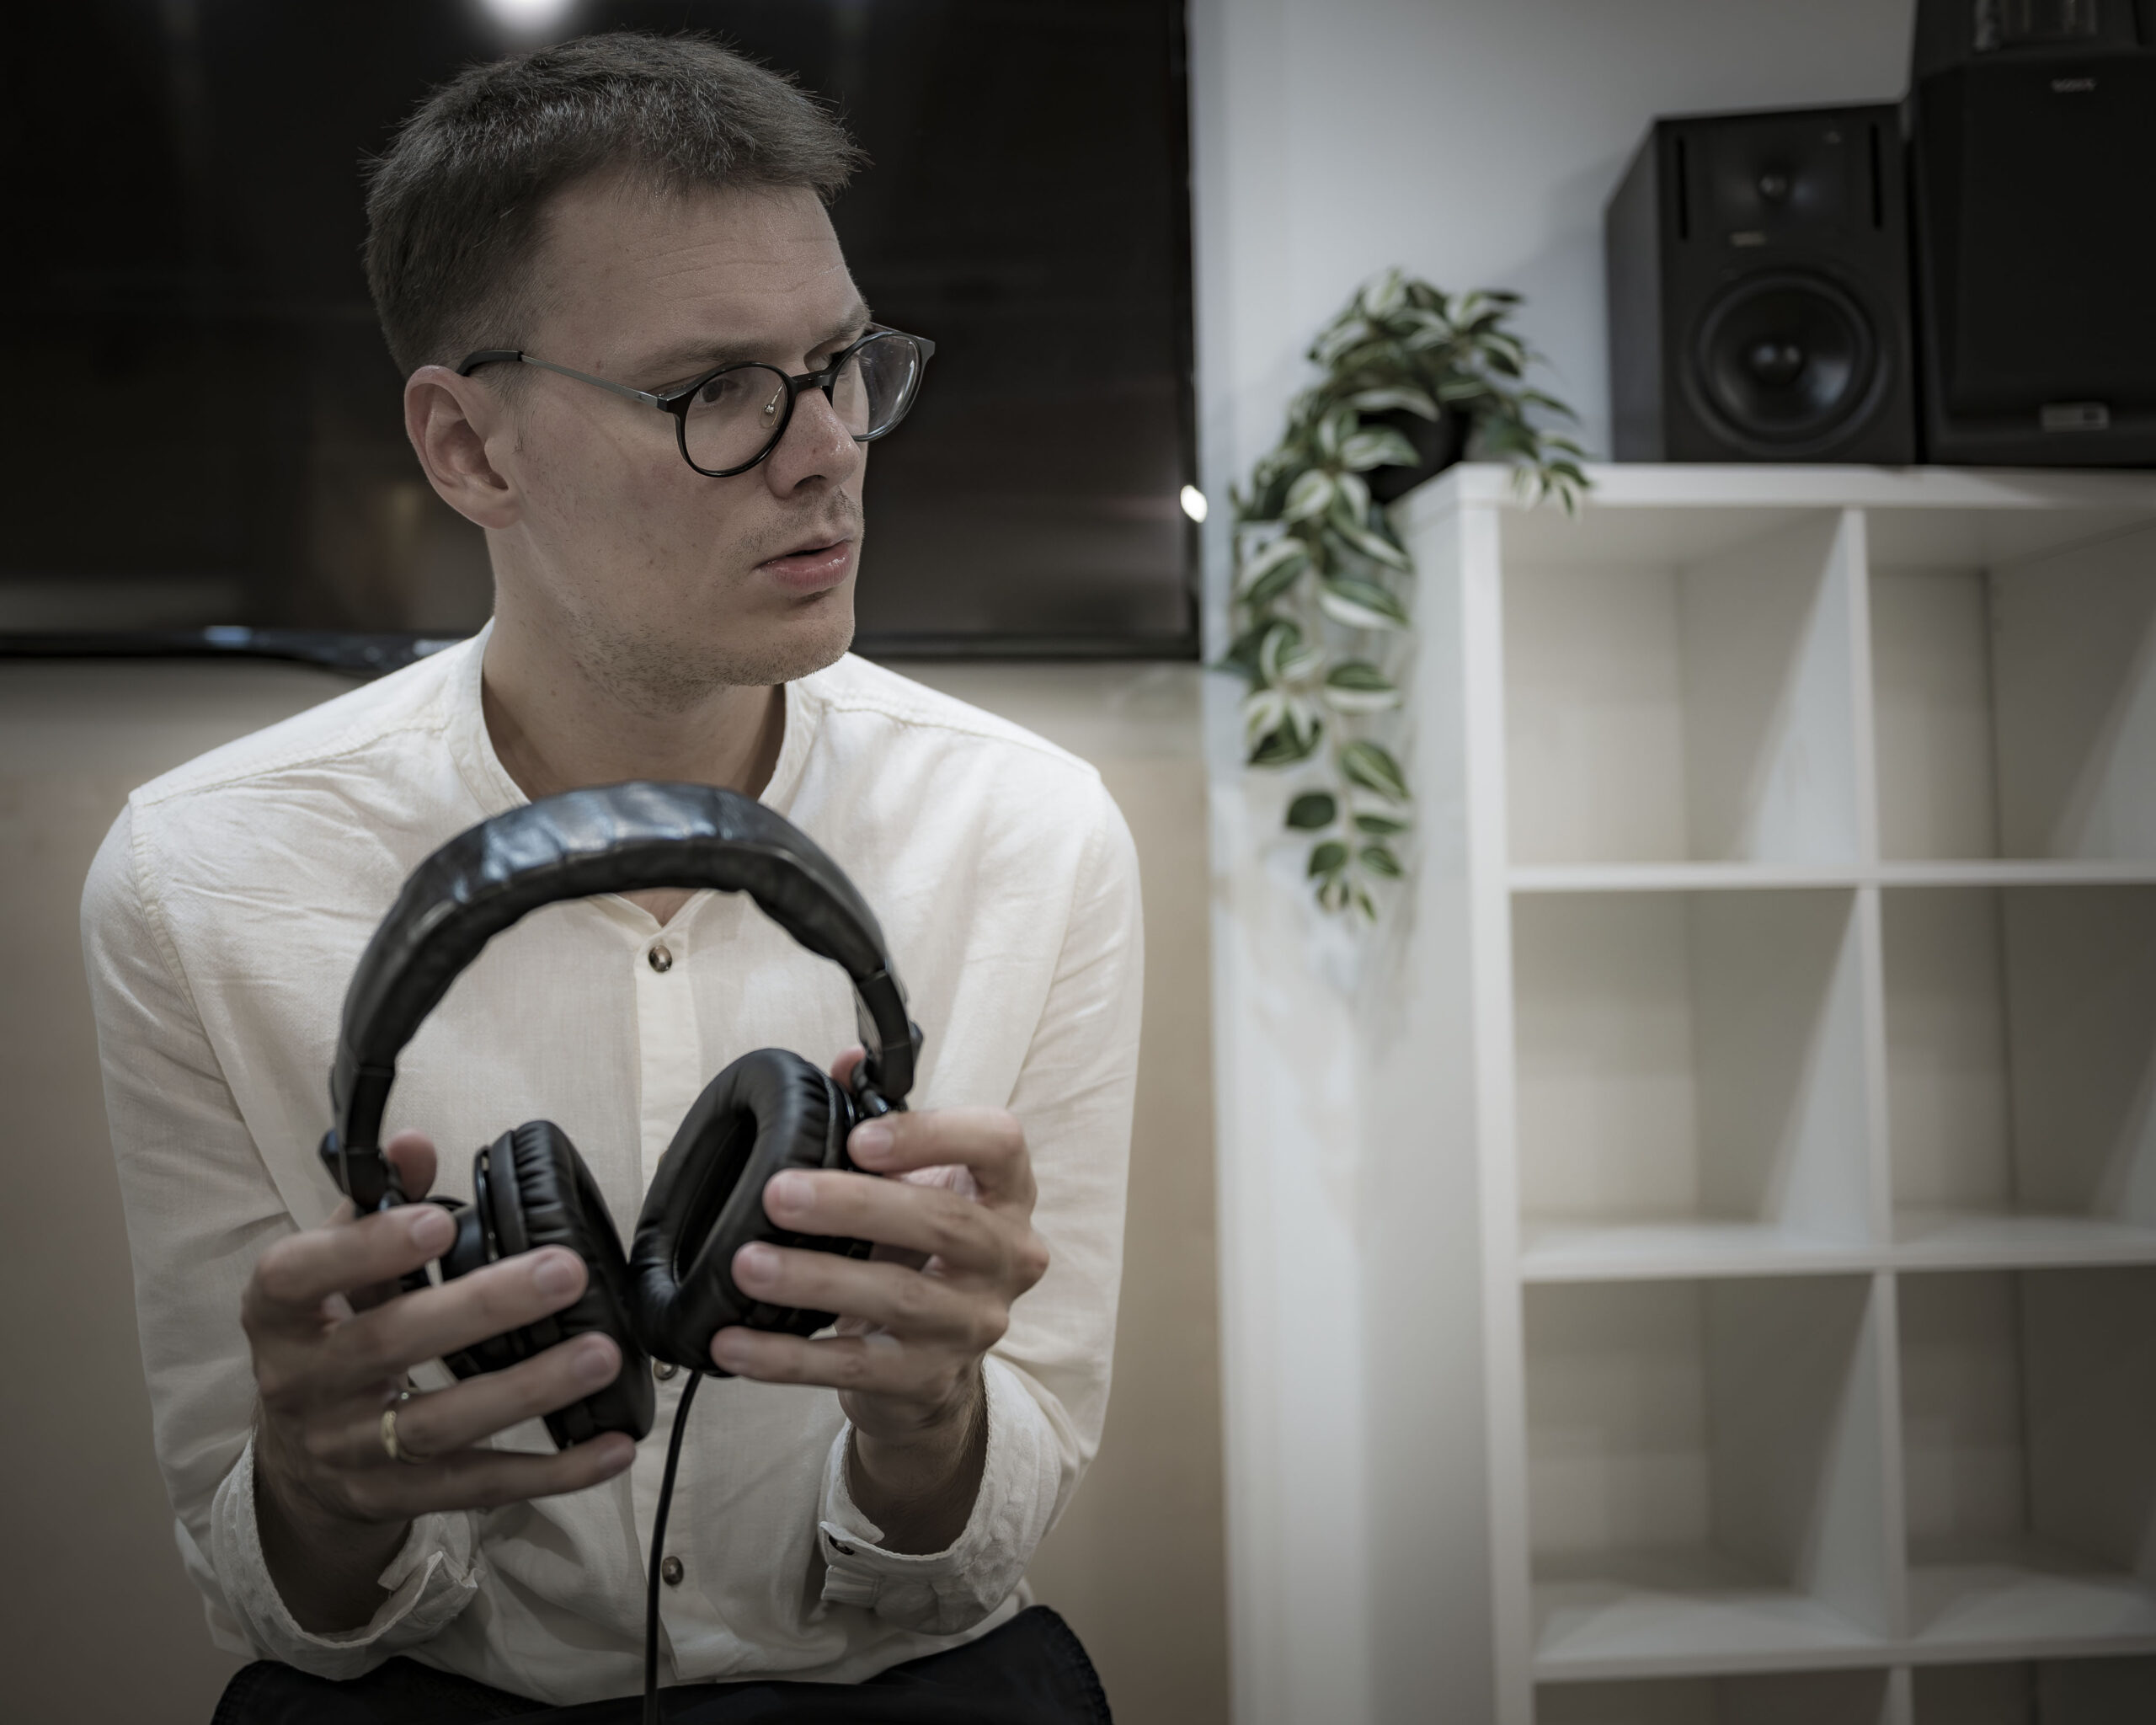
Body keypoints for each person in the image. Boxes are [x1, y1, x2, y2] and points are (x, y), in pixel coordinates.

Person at [78, 32, 1140, 1722]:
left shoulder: (1032, 830)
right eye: (714, 389)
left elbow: (974, 1560)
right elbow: (283, 1604)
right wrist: (323, 1494)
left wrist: (933, 1421)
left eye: (840, 364)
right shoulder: (197, 876)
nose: (826, 451)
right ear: (470, 450)